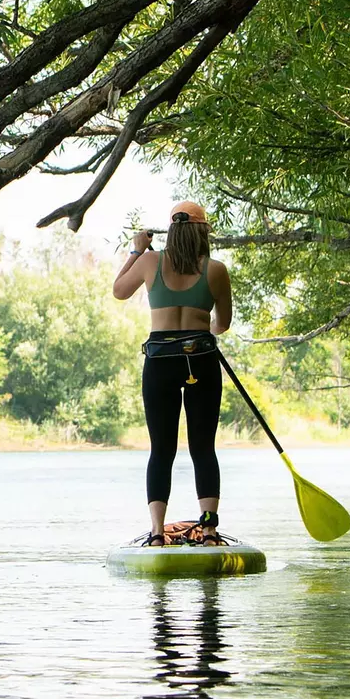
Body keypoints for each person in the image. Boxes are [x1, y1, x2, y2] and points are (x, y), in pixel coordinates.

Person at [113, 201, 233, 546]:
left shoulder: (150, 261)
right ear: (202, 232)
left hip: (160, 362)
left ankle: (156, 533)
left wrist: (135, 251)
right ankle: (209, 530)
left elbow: (119, 290)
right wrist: (201, 330)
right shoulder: (216, 270)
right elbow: (221, 324)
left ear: (173, 230)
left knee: (161, 450)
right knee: (203, 448)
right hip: (201, 360)